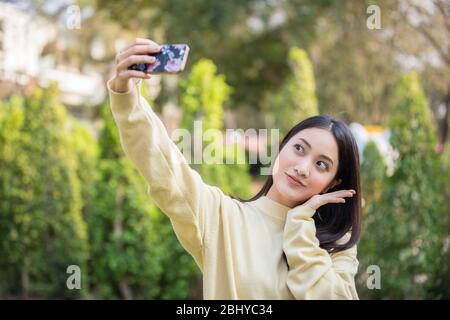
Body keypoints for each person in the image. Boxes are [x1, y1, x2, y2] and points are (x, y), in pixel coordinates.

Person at [107, 38, 362, 300]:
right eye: (299, 149)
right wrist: (126, 95)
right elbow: (163, 162)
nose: (303, 168)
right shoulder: (221, 216)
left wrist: (299, 226)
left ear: (333, 182)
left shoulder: (338, 246)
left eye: (322, 164)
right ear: (281, 149)